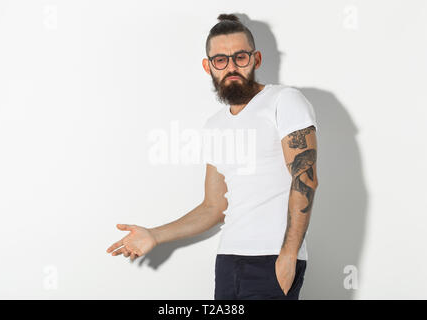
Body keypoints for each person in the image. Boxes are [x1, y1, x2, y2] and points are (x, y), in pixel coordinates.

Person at [106, 13, 319, 300]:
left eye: (240, 57)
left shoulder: (285, 101)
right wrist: (155, 235)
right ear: (208, 66)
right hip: (228, 260)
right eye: (221, 60)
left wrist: (290, 254)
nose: (231, 67)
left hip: (272, 259)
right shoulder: (215, 124)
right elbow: (214, 206)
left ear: (256, 59)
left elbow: (304, 178)